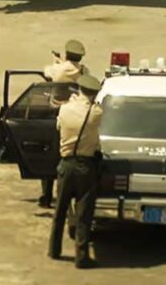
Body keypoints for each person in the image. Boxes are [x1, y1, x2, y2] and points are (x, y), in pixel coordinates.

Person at [48, 74, 104, 269]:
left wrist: (71, 101)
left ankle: (54, 250)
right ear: (94, 94)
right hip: (86, 166)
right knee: (83, 214)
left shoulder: (64, 109)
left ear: (78, 90)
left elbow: (58, 126)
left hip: (66, 164)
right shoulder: (96, 112)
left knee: (60, 210)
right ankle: (81, 256)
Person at [38, 39, 89, 207]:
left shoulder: (59, 69)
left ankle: (46, 195)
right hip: (75, 117)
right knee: (67, 155)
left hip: (56, 113)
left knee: (49, 155)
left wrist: (58, 62)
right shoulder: (83, 71)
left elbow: (47, 72)